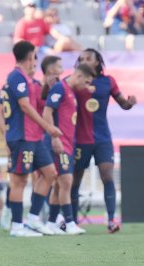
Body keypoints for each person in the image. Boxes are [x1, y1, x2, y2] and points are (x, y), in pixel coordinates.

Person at [0, 41, 62, 237]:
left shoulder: (25, 79)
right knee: (19, 181)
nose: (36, 60)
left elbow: (37, 100)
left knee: (50, 173)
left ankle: (33, 218)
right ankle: (17, 226)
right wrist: (49, 127)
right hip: (22, 136)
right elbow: (25, 107)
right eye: (35, 55)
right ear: (30, 56)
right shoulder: (16, 76)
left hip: (33, 138)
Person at [71, 48, 137, 233]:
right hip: (79, 140)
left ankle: (111, 221)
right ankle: (71, 221)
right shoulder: (74, 82)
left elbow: (123, 103)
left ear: (98, 62)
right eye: (81, 58)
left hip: (103, 139)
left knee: (107, 177)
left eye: (89, 58)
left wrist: (130, 102)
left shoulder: (108, 81)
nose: (84, 60)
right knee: (74, 181)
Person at [43, 64, 96, 235]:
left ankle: (51, 222)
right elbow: (47, 112)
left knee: (60, 185)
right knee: (66, 181)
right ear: (79, 76)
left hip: (68, 144)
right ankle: (70, 222)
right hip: (59, 144)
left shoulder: (71, 92)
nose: (86, 86)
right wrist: (54, 136)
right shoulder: (60, 88)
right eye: (86, 82)